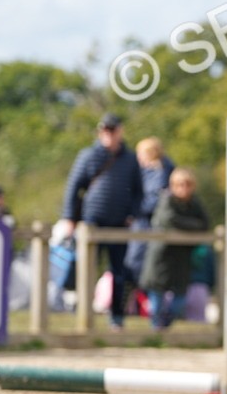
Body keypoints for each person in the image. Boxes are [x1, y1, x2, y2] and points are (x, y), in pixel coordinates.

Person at [55, 113, 143, 330]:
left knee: (119, 272)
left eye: (112, 130)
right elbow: (74, 187)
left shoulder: (130, 159)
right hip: (92, 221)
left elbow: (139, 191)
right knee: (86, 269)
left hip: (120, 223)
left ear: (120, 131)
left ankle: (117, 317)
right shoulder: (88, 155)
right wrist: (69, 218)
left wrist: (133, 214)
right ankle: (83, 315)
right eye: (105, 130)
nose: (109, 134)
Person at [139, 168, 210, 329]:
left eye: (187, 184)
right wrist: (192, 226)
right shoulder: (167, 200)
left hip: (181, 257)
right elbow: (169, 220)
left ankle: (163, 326)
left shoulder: (194, 203)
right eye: (179, 185)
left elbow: (205, 224)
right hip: (161, 256)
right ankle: (155, 332)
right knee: (157, 295)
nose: (183, 188)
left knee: (179, 299)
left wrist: (186, 226)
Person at [124, 137, 175, 287]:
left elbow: (154, 200)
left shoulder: (158, 173)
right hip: (142, 220)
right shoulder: (148, 172)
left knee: (138, 260)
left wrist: (133, 211)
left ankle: (140, 293)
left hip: (147, 222)